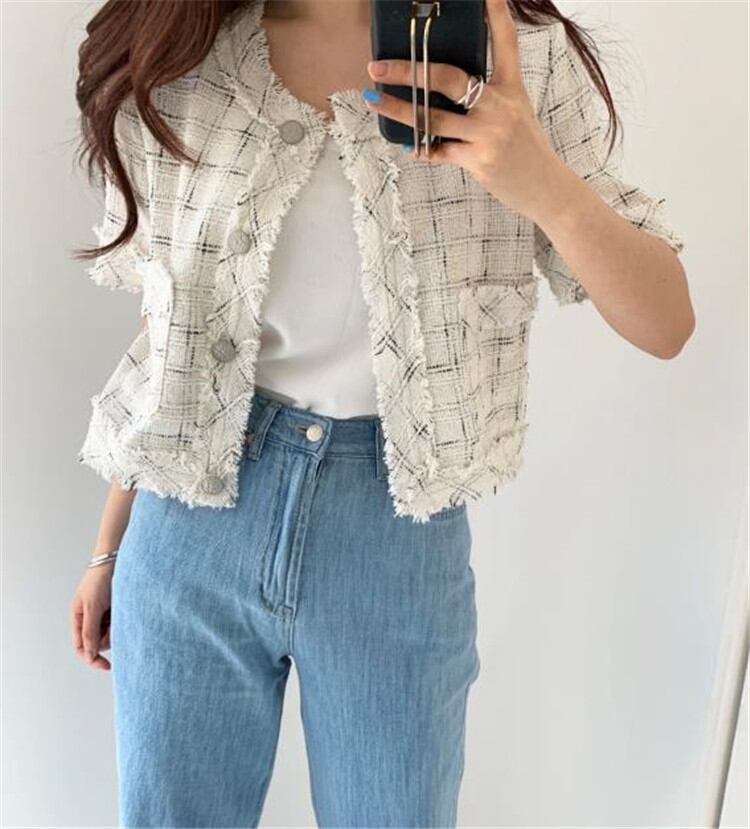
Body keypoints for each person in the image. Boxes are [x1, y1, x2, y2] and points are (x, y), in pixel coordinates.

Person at [70, 0, 693, 826]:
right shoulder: (194, 52)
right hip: (189, 528)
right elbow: (173, 330)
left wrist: (542, 183)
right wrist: (109, 545)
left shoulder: (515, 56)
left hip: (395, 542)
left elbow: (667, 323)